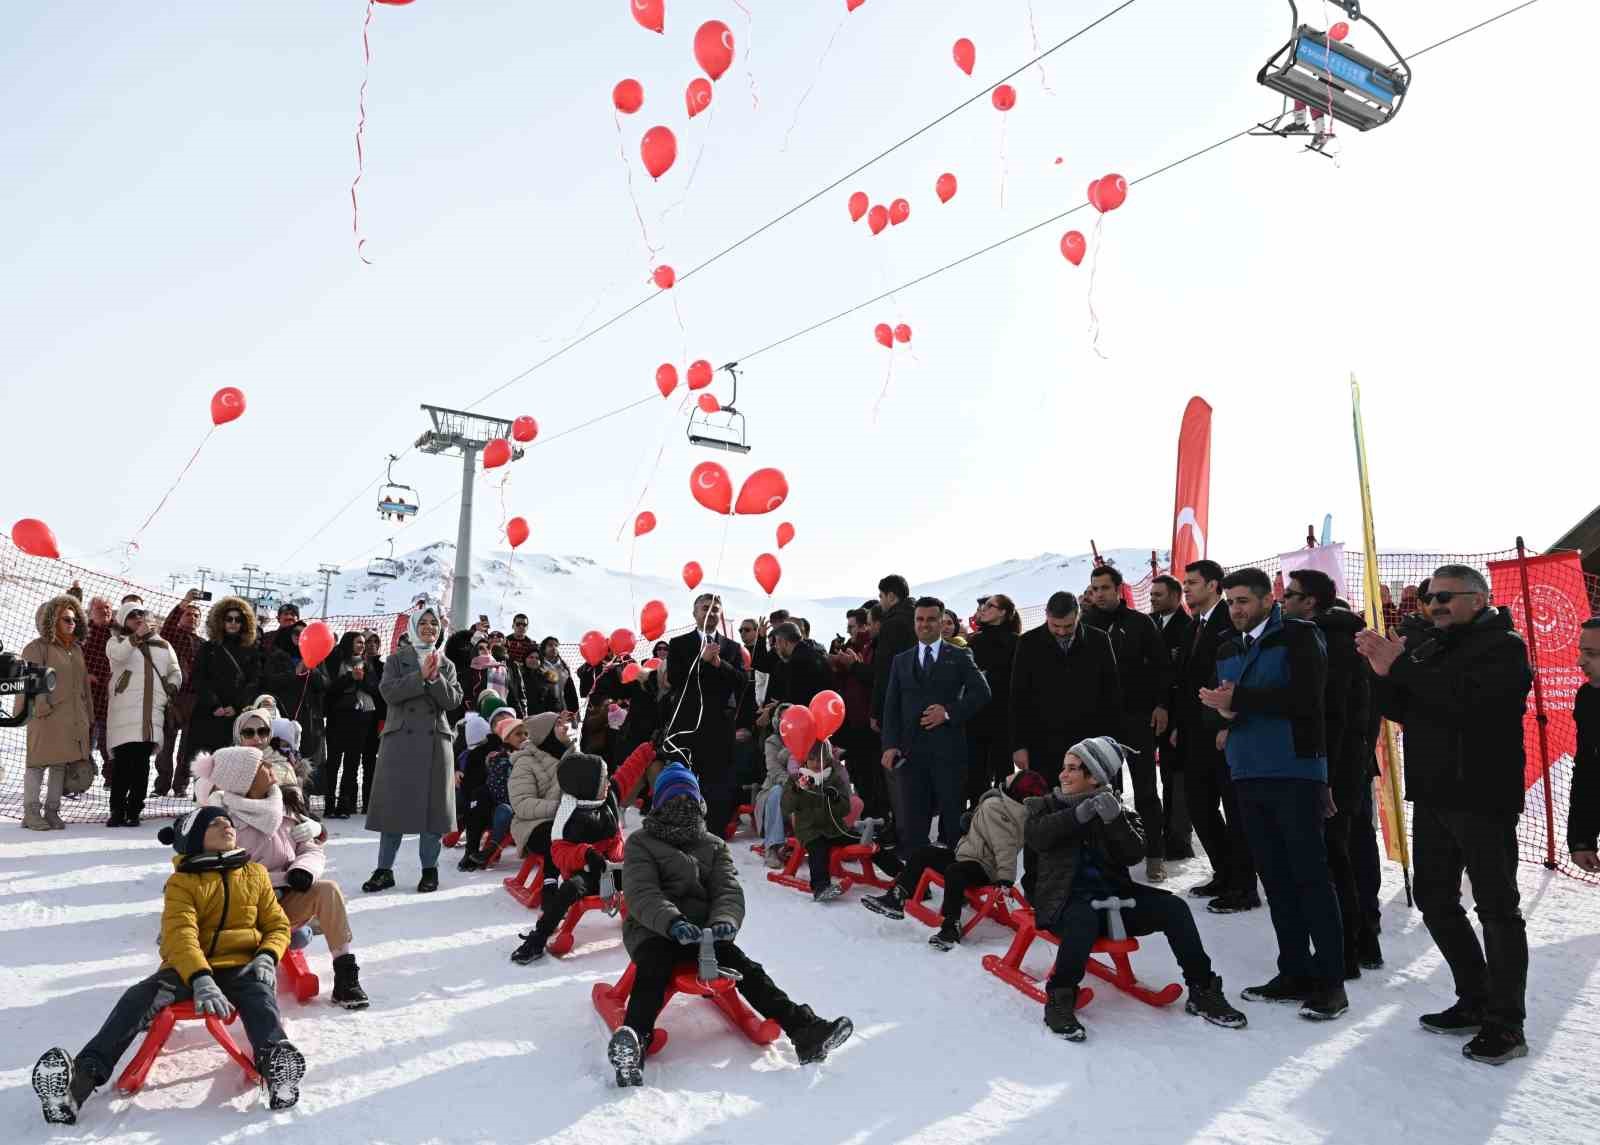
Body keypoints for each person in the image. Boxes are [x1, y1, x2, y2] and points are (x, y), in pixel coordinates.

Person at [1358, 565, 1535, 1064]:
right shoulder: (1434, 644)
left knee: (1497, 910)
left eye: (1445, 597)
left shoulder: (1504, 646)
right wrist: (1381, 672)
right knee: (1436, 900)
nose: (1433, 605)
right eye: (1429, 597)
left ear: (1478, 600)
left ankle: (1507, 1024)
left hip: (1482, 797)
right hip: (1434, 794)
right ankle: (1475, 997)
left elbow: (1467, 702)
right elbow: (1407, 707)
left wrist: (1403, 668)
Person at [30, 806, 304, 1123]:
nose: (227, 827)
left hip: (241, 964)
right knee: (138, 998)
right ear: (195, 838)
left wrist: (268, 955)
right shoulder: (182, 883)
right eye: (215, 824)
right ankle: (77, 1084)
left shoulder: (254, 874)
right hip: (188, 968)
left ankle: (277, 1071)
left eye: (228, 822)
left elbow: (277, 925)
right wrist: (200, 977)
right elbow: (180, 934)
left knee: (260, 999)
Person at [608, 763, 854, 1087]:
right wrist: (673, 922)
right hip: (656, 929)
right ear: (660, 803)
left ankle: (805, 1031)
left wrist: (724, 922)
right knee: (653, 969)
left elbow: (727, 889)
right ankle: (635, 1042)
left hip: (705, 935)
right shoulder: (642, 842)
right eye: (673, 799)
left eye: (688, 799)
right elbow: (642, 892)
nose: (682, 806)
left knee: (748, 970)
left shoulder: (712, 844)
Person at [1022, 737, 1246, 1041]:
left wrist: (1113, 820)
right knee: (1083, 917)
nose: (1062, 774)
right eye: (1064, 767)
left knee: (1174, 908)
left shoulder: (1119, 811)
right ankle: (1060, 996)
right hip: (1064, 901)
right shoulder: (1044, 806)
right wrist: (1078, 815)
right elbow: (1037, 837)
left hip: (1115, 900)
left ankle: (1202, 990)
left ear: (1095, 777)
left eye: (1073, 769)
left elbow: (1133, 853)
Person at [1200, 567, 1343, 1021]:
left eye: (1244, 600)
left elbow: (1306, 699)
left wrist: (1237, 702)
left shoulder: (1300, 635)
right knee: (1276, 878)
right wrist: (1220, 721)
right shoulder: (1226, 645)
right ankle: (1293, 970)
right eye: (1232, 601)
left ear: (1267, 600)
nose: (1237, 608)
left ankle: (1331, 982)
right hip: (1247, 773)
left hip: (1294, 770)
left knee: (1310, 877)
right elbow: (1218, 706)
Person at [194, 745, 368, 1008]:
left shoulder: (285, 804)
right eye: (262, 765)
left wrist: (304, 869)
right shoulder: (222, 821)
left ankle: (345, 976)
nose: (270, 767)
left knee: (328, 890)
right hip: (244, 914)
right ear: (245, 779)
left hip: (286, 898)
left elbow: (310, 847)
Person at [1282, 568, 1383, 975]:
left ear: (1311, 602)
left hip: (1335, 767)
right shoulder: (1348, 637)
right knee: (1355, 847)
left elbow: (1333, 716)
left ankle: (1349, 948)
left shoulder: (1326, 641)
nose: (1284, 601)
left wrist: (1323, 775)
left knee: (1334, 854)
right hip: (1351, 762)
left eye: (1291, 595)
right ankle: (1364, 937)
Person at [1009, 591, 1120, 901]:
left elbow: (1111, 693)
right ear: (1046, 616)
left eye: (1067, 626)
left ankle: (1095, 881)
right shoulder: (1028, 643)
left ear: (1078, 617)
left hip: (1089, 747)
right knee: (1043, 814)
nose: (1060, 632)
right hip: (1044, 745)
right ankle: (1035, 885)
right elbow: (1018, 697)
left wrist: (1111, 743)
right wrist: (1019, 744)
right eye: (1055, 626)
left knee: (1093, 814)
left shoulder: (1098, 640)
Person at [864, 768, 1048, 948]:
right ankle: (897, 897)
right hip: (967, 856)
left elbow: (1005, 848)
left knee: (955, 872)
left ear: (1016, 790)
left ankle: (951, 926)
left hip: (984, 868)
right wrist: (972, 822)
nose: (1010, 775)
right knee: (924, 853)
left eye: (1015, 776)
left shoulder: (1006, 814)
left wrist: (1005, 880)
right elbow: (986, 831)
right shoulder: (1000, 804)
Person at [510, 740, 656, 963]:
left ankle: (659, 927)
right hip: (587, 873)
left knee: (651, 875)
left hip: (616, 866)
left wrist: (647, 748)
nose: (608, 783)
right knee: (569, 889)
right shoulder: (567, 815)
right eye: (602, 780)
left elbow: (629, 770)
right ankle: (538, 938)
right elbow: (559, 852)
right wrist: (586, 854)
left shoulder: (608, 796)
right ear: (587, 785)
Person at [363, 599, 463, 895]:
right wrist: (420, 677)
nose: (429, 628)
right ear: (413, 628)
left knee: (432, 813)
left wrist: (435, 680)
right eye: (424, 623)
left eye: (434, 624)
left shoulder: (447, 664)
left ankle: (429, 871)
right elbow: (389, 693)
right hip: (400, 743)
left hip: (435, 741)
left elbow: (453, 701)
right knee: (393, 807)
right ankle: (384, 870)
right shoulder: (396, 660)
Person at [1175, 560, 1258, 911]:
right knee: (1200, 807)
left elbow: (1234, 679)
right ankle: (1224, 872)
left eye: (1192, 582)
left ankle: (1244, 886)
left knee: (1235, 811)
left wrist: (1226, 725)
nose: (1187, 588)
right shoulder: (1196, 624)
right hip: (1196, 734)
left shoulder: (1230, 621)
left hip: (1223, 733)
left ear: (1213, 586)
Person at [881, 596, 992, 852]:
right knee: (913, 819)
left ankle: (951, 879)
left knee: (951, 817)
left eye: (931, 619)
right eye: (920, 619)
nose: (925, 624)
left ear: (942, 622)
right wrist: (890, 745)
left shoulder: (960, 655)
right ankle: (916, 882)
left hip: (948, 751)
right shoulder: (902, 660)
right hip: (911, 752)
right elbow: (891, 707)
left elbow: (982, 693)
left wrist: (949, 712)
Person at [1084, 565, 1173, 882]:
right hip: (1099, 723)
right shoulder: (1086, 624)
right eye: (1094, 589)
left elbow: (1163, 667)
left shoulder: (1140, 623)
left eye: (1104, 588)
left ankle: (1154, 855)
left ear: (1119, 589)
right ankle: (1114, 855)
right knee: (1106, 792)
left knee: (1147, 790)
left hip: (1137, 718)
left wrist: (1162, 705)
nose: (1098, 594)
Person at [662, 593, 749, 839]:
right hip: (687, 724)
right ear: (695, 613)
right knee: (683, 779)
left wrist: (721, 664)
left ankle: (714, 834)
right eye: (705, 608)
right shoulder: (678, 643)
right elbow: (675, 680)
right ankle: (681, 829)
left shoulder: (732, 647)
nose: (710, 614)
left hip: (719, 727)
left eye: (715, 610)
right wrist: (701, 661)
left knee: (718, 783)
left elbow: (742, 682)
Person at [16, 593, 93, 830]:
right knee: (37, 764)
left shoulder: (76, 650)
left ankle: (52, 811)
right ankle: (30, 813)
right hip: (44, 715)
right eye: (66, 619)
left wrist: (87, 713)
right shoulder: (35, 648)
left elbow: (84, 686)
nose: (72, 624)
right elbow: (30, 679)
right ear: (51, 621)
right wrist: (41, 707)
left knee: (60, 764)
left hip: (71, 716)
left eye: (74, 620)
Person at [105, 602, 184, 828]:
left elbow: (174, 669)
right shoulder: (116, 641)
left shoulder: (162, 644)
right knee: (121, 763)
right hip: (124, 712)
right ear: (122, 620)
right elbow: (119, 657)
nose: (137, 618)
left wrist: (172, 685)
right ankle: (117, 810)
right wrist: (135, 638)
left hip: (151, 712)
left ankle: (134, 810)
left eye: (141, 614)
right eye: (132, 615)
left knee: (141, 765)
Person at [1148, 574, 1194, 860]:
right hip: (1152, 712)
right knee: (1163, 776)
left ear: (1177, 597)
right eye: (1151, 595)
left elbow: (1181, 677)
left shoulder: (1186, 628)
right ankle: (1164, 832)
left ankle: (1179, 839)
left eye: (1159, 595)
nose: (1153, 599)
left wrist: (1175, 718)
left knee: (1177, 778)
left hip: (1176, 716)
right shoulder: (1149, 624)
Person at [780, 739, 856, 901]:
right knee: (819, 850)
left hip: (834, 828)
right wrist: (796, 791)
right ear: (805, 759)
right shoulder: (796, 779)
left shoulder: (834, 778)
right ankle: (821, 887)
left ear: (828, 760)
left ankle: (900, 876)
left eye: (820, 760)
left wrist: (836, 798)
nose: (816, 764)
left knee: (862, 840)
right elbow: (786, 806)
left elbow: (846, 808)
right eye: (812, 759)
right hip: (810, 829)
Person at [964, 594, 1020, 808]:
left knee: (1004, 774)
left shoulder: (1016, 642)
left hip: (1003, 716)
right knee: (976, 775)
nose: (983, 609)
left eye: (990, 606)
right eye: (983, 606)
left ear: (1003, 612)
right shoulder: (974, 641)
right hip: (976, 716)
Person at [457, 708, 525, 869]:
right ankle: (471, 849)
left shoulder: (528, 751)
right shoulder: (485, 753)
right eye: (498, 721)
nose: (523, 738)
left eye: (507, 719)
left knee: (498, 806)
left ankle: (489, 849)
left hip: (518, 803)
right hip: (489, 804)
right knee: (479, 795)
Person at [153, 592, 204, 798]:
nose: (191, 618)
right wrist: (185, 603)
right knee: (165, 746)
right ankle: (161, 785)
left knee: (188, 748)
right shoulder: (171, 637)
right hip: (171, 700)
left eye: (196, 616)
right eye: (188, 614)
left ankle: (181, 785)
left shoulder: (203, 644)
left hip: (193, 701)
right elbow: (169, 625)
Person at [324, 631, 379, 819]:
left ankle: (344, 805)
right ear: (349, 643)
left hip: (361, 720)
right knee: (333, 764)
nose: (362, 645)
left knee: (352, 765)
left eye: (363, 643)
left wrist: (361, 679)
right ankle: (329, 804)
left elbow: (375, 690)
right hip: (338, 719)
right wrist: (349, 678)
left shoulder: (367, 665)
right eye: (358, 642)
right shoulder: (335, 662)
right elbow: (329, 690)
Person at [1571, 618, 1600, 874]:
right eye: (1581, 652)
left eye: (1590, 654)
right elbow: (1587, 772)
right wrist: (1582, 839)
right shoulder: (1588, 698)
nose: (1580, 662)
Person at [870, 575, 917, 732]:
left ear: (891, 596)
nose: (880, 601)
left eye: (881, 596)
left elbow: (884, 670)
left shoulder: (892, 624)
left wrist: (877, 711)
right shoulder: (918, 618)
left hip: (898, 703)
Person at [768, 620, 830, 707]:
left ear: (784, 642)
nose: (776, 648)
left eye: (777, 643)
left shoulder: (796, 662)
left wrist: (773, 709)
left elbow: (795, 701)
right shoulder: (815, 654)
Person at [358, 631, 386, 814]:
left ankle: (373, 802)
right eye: (369, 641)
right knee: (359, 763)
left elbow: (382, 693)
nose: (372, 644)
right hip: (359, 720)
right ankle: (359, 801)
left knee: (376, 764)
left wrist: (384, 720)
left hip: (378, 720)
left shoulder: (384, 667)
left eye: (376, 641)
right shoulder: (355, 664)